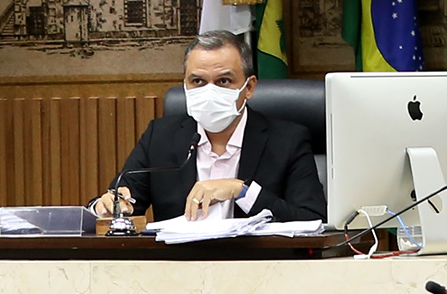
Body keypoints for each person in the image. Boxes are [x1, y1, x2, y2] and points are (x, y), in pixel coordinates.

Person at [90, 31, 324, 225]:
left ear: (249, 87)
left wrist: (241, 191)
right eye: (198, 82)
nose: (209, 92)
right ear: (185, 85)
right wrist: (104, 207)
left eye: (223, 81)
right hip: (179, 263)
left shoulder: (287, 140)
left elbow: (312, 219)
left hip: (256, 263)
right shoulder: (160, 137)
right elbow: (121, 201)